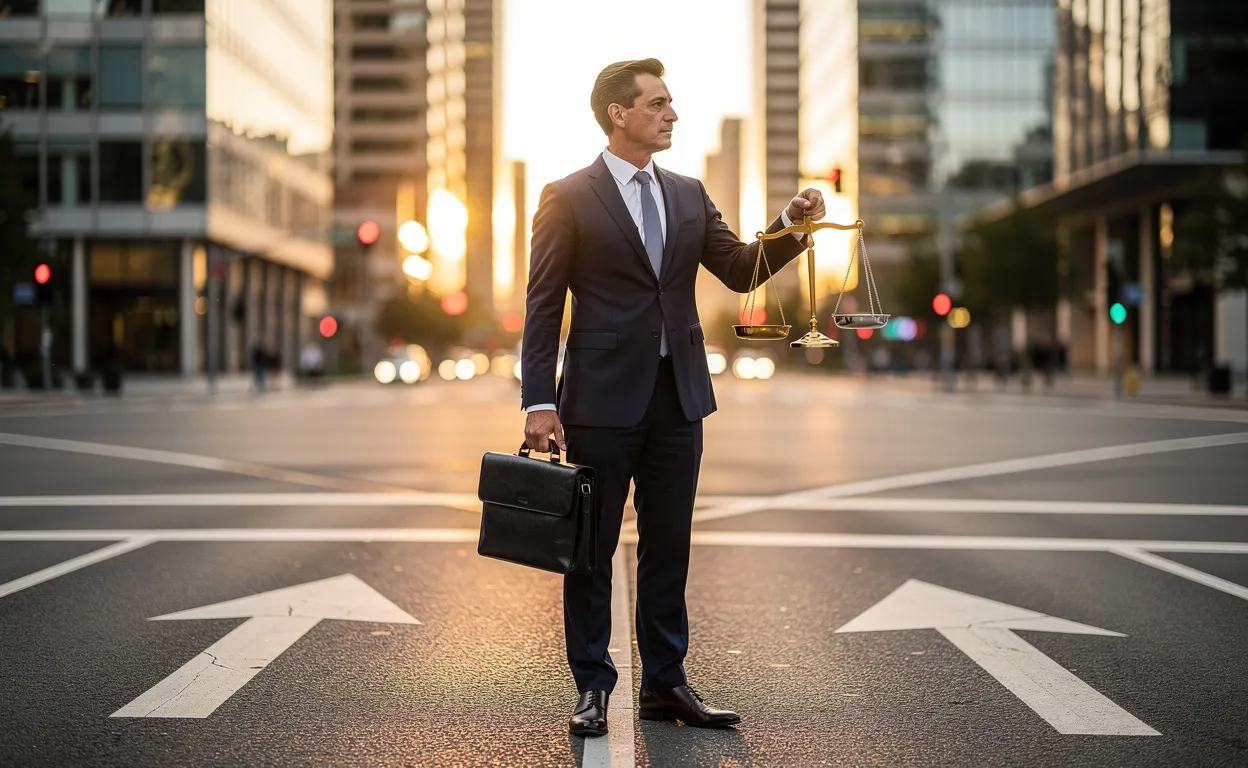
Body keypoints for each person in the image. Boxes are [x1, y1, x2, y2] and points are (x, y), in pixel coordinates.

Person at [520, 58, 826, 737]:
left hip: (679, 400)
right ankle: (592, 686)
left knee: (670, 546)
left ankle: (665, 684)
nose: (671, 114)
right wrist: (539, 400)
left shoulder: (688, 193)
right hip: (599, 401)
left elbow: (741, 270)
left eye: (670, 102)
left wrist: (790, 222)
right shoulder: (567, 196)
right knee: (591, 550)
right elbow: (543, 306)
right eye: (657, 103)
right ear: (618, 114)